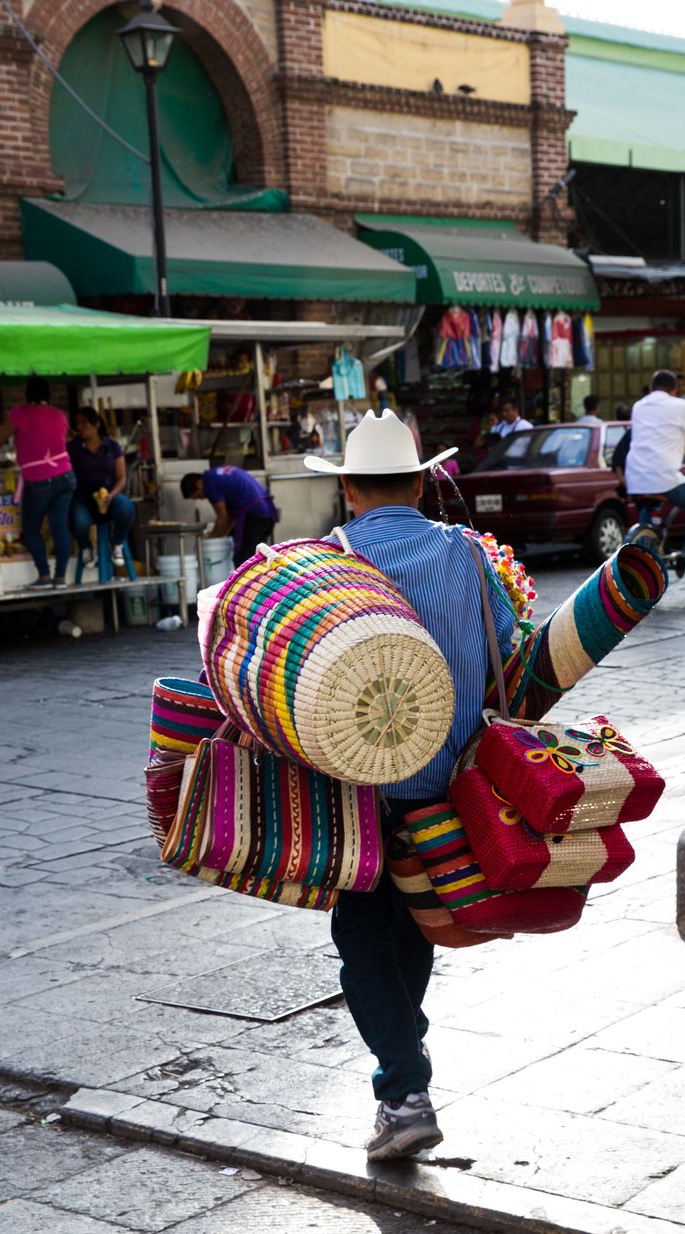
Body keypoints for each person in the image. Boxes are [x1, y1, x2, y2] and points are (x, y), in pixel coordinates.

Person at [304, 411, 517, 1162]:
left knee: (362, 934)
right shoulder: (465, 552)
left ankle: (403, 1090)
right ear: (423, 482)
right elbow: (509, 642)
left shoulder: (328, 558)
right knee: (415, 922)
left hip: (360, 787)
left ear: (350, 489)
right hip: (450, 781)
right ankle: (404, 1072)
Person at [0, 376, 75, 587]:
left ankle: (44, 576)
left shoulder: (19, 413)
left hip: (39, 481)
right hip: (66, 477)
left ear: (26, 394)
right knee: (59, 528)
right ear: (48, 395)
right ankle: (60, 577)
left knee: (31, 530)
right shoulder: (60, 415)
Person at [624, 369, 685, 571]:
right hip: (663, 476)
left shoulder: (639, 406)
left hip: (635, 477)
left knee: (649, 505)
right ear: (674, 390)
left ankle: (643, 547)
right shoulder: (678, 405)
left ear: (651, 388)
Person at [67, 407, 135, 570]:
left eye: (85, 423)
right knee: (78, 521)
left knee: (127, 508)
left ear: (96, 424)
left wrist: (112, 494)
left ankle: (117, 543)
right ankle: (86, 547)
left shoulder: (111, 446)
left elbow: (121, 477)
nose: (81, 428)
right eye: (78, 424)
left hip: (109, 495)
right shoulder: (73, 448)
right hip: (84, 497)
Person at [180, 466, 278, 568]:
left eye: (199, 496)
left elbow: (222, 518)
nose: (202, 498)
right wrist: (222, 533)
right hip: (267, 512)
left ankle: (248, 583)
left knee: (243, 559)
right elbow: (229, 517)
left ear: (199, 483)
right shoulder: (216, 475)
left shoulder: (210, 483)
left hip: (254, 515)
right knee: (259, 556)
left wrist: (211, 538)